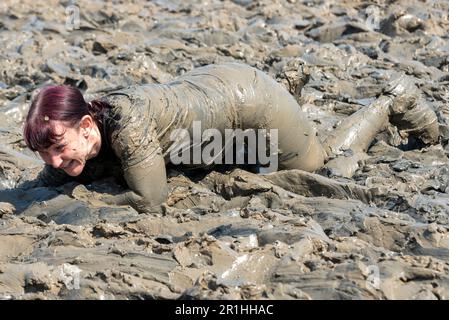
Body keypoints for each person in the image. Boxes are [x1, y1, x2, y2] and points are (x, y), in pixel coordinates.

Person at [23, 63, 439, 212]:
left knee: (321, 162)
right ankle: (290, 99)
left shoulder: (129, 127)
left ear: (87, 125)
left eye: (59, 148)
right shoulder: (91, 125)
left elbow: (151, 200)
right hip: (210, 90)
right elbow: (55, 176)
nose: (55, 161)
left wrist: (84, 198)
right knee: (230, 154)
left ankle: (391, 100)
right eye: (45, 154)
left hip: (250, 101)